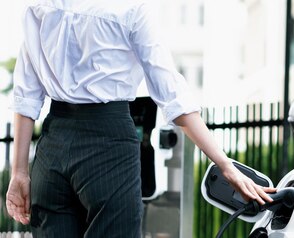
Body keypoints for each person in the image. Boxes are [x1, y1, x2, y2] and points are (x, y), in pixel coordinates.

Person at [4, 0, 275, 237]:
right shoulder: (131, 9)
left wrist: (19, 173)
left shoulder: (39, 8)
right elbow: (174, 98)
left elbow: (26, 97)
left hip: (52, 148)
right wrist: (225, 165)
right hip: (108, 144)